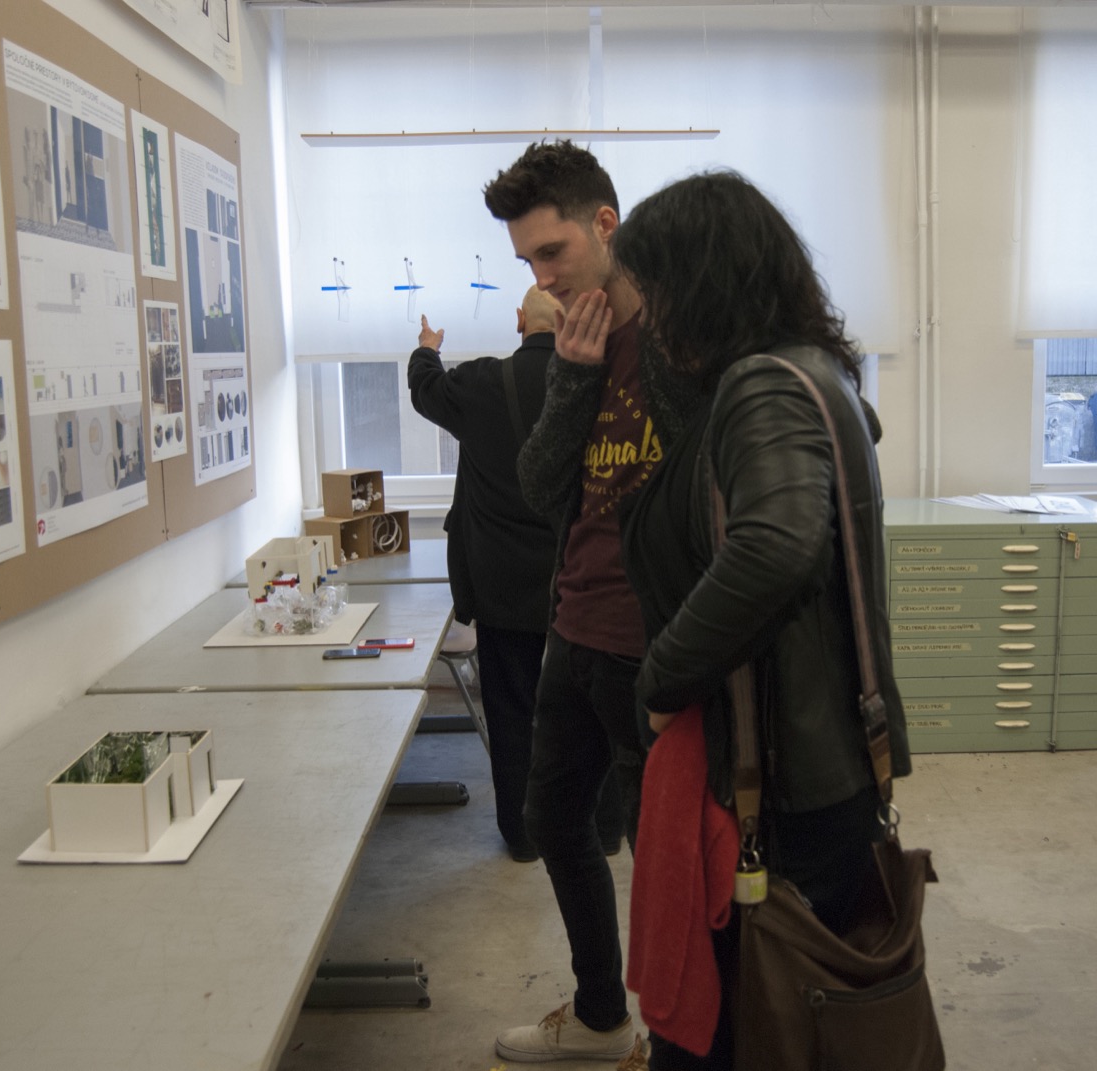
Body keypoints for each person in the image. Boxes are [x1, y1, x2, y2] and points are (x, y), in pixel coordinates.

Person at [610, 171, 913, 1070]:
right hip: (819, 773)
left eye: (654, 289)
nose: (648, 314)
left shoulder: (761, 388)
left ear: (697, 283)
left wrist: (661, 677)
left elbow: (776, 549)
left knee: (743, 1034)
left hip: (784, 790)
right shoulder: (806, 373)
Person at [483, 141, 695, 1069]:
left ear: (605, 225)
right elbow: (541, 485)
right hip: (573, 629)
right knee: (554, 821)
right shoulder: (580, 343)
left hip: (655, 646)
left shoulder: (683, 340)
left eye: (552, 251)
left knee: (664, 856)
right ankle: (605, 1016)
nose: (541, 277)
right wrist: (571, 373)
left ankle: (680, 1036)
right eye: (527, 259)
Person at [408, 286, 624, 861]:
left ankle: (523, 835)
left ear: (519, 320)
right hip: (581, 580)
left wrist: (427, 348)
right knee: (598, 709)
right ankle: (605, 831)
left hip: (502, 584)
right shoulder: (602, 383)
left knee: (511, 711)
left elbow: (426, 390)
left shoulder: (482, 382)